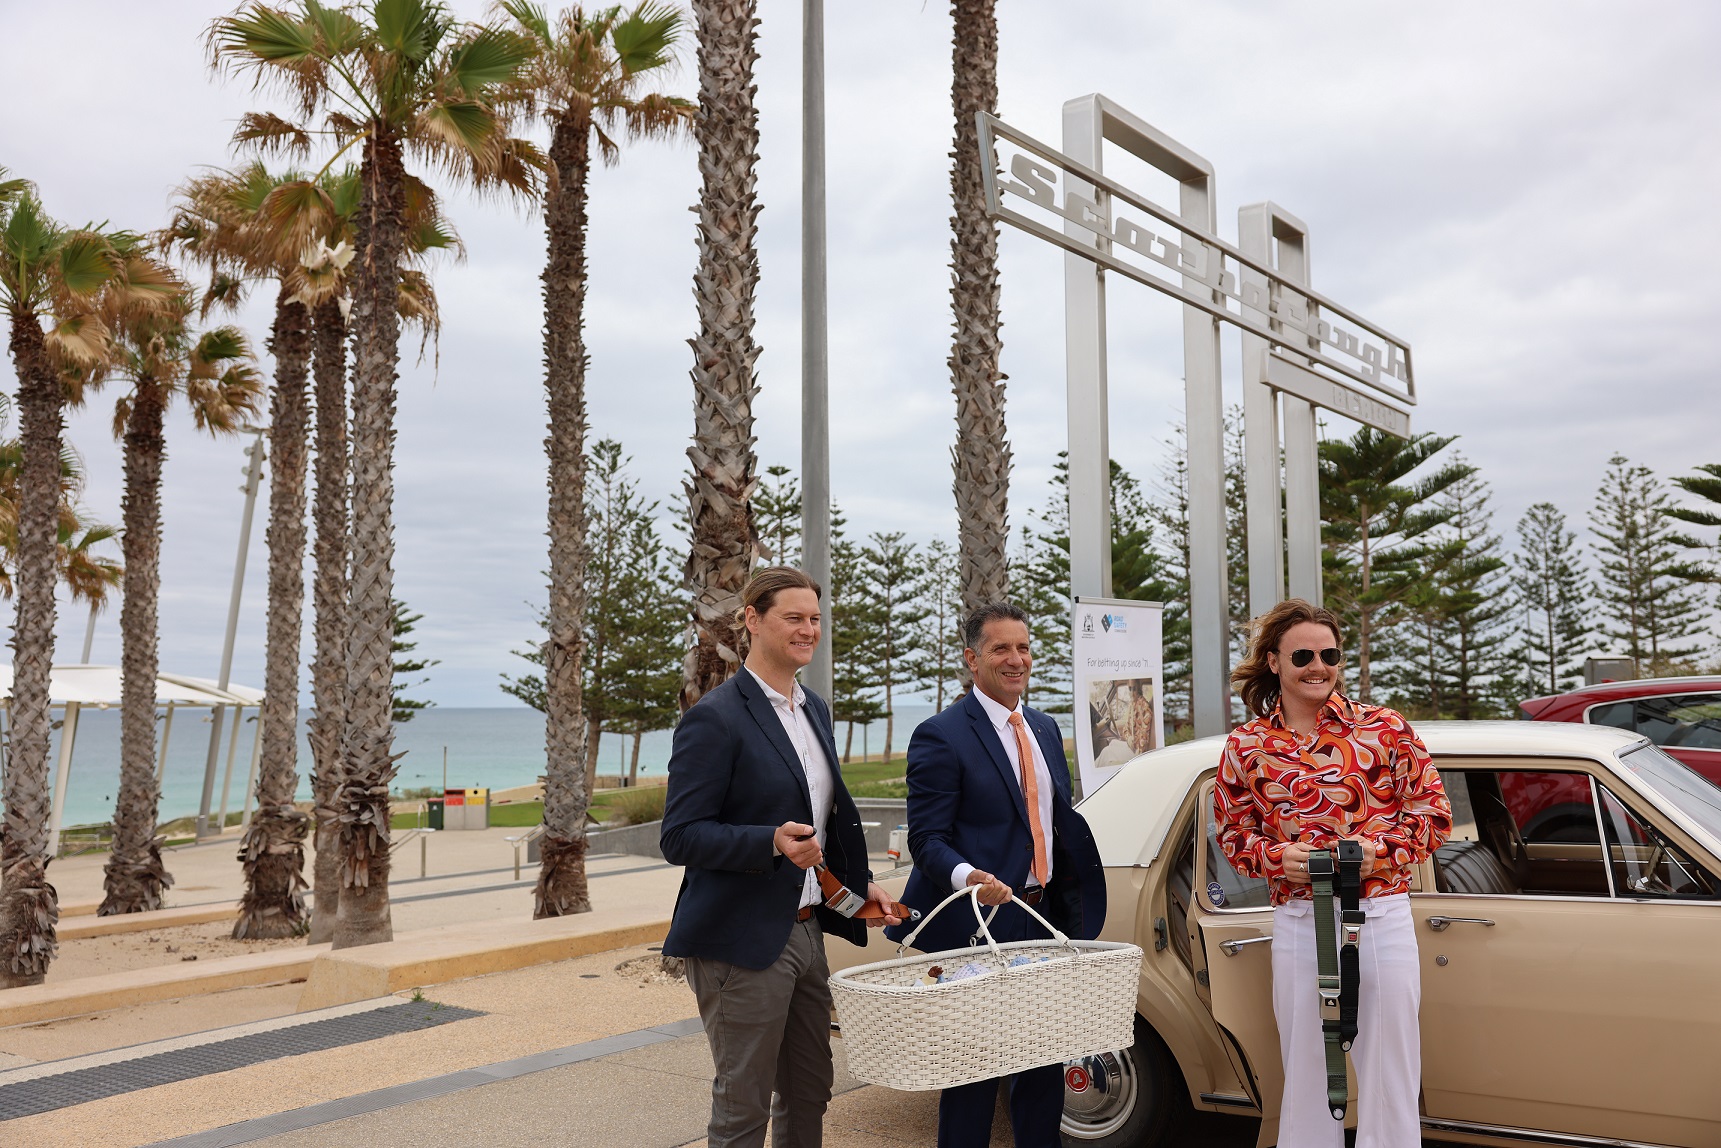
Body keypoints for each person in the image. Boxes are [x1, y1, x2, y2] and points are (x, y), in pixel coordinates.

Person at [661, 567, 902, 1148]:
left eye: (815, 618)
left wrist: (855, 887)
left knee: (810, 1087)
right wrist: (767, 840)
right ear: (752, 619)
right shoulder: (714, 719)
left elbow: (826, 820)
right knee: (744, 1105)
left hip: (805, 931)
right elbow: (680, 836)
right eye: (793, 617)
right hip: (739, 942)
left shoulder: (813, 709)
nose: (808, 630)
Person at [1214, 598, 1452, 1148]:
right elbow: (1232, 836)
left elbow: (1434, 814)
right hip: (1299, 921)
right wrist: (1279, 858)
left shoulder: (1385, 730)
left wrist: (1380, 850)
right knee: (1305, 1067)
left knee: (1392, 1066)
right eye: (1303, 655)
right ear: (1274, 661)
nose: (1318, 665)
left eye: (1330, 654)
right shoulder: (1247, 746)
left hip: (1382, 915)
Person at [886, 602, 1106, 1148]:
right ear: (972, 658)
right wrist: (968, 877)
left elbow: (1055, 818)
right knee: (975, 1074)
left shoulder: (1045, 728)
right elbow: (926, 840)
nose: (1016, 659)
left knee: (1043, 1067)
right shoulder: (940, 735)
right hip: (979, 924)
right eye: (1000, 649)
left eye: (1024, 648)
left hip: (1043, 915)